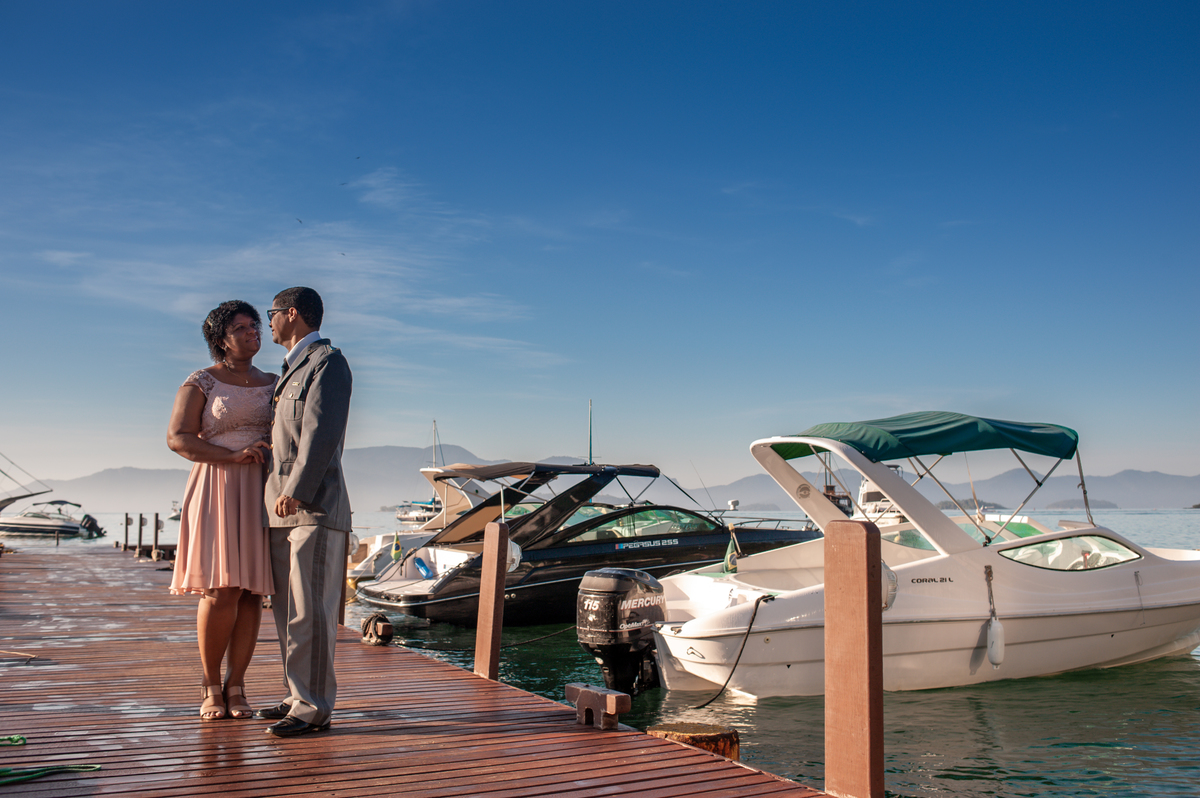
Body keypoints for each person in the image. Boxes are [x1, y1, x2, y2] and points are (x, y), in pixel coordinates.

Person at [167, 300, 276, 721]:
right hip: (219, 484)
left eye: (255, 326)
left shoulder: (275, 381)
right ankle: (211, 684)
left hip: (262, 488)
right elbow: (178, 438)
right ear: (221, 339)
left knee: (251, 591)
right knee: (221, 589)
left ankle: (238, 685)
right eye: (242, 327)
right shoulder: (202, 382)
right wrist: (230, 457)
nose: (253, 332)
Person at [257, 286, 353, 738]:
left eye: (271, 314)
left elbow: (321, 433)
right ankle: (297, 693)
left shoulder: (327, 362)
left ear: (291, 313)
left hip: (313, 506)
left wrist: (296, 490)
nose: (268, 322)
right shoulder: (290, 369)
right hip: (281, 508)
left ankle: (313, 707)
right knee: (286, 609)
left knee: (310, 611)